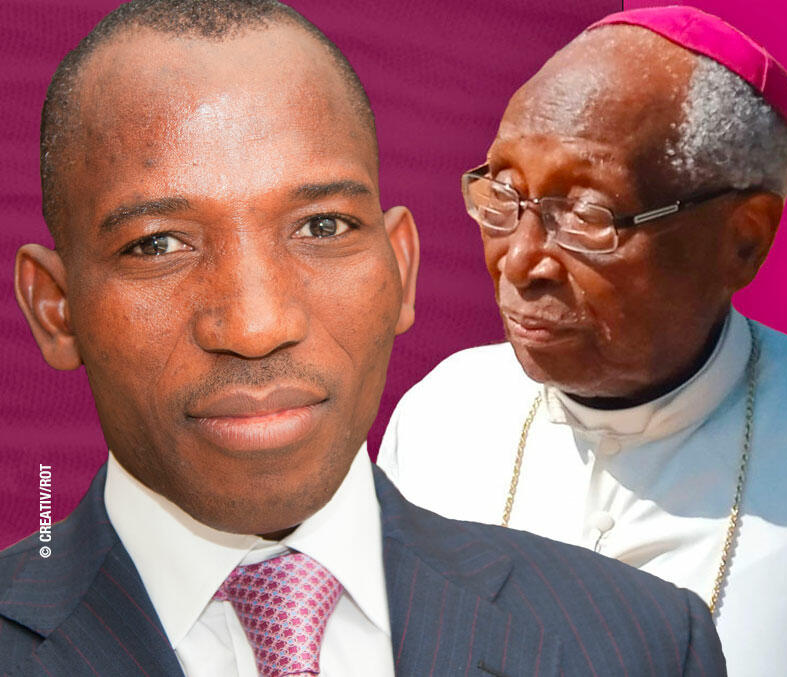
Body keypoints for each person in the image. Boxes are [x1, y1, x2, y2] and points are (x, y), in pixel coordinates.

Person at [0, 2, 727, 675]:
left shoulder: (643, 643)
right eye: (158, 244)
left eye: (322, 227)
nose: (257, 327)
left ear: (401, 271)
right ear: (56, 308)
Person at [377, 5, 787, 676]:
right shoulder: (441, 415)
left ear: (743, 239)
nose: (519, 261)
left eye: (588, 213)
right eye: (504, 194)